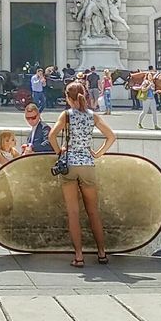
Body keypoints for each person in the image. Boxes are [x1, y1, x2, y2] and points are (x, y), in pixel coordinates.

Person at [49, 80, 117, 266]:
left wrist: (59, 151)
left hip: (69, 164)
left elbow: (51, 136)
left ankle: (79, 256)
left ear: (68, 98)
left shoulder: (66, 115)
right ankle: (102, 253)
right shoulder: (92, 115)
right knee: (93, 212)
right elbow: (111, 136)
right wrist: (98, 153)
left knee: (73, 212)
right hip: (87, 164)